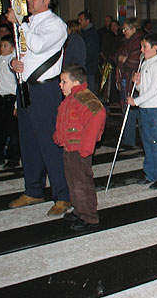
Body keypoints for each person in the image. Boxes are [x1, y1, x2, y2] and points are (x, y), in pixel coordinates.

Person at [6, 0, 71, 215]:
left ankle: (62, 195)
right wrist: (13, 63)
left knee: (50, 143)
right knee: (29, 143)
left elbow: (38, 45)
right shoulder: (29, 24)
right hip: (25, 88)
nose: (29, 0)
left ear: (47, 0)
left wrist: (20, 24)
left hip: (45, 91)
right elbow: (22, 54)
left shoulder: (56, 25)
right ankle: (33, 190)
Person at [54, 64, 107, 232]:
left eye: (64, 82)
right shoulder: (71, 98)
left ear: (76, 82)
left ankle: (89, 217)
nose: (60, 85)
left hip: (79, 149)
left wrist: (87, 145)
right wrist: (58, 135)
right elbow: (65, 119)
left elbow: (98, 114)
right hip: (69, 147)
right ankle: (79, 209)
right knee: (72, 181)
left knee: (81, 183)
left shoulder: (83, 98)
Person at [127, 33, 157, 189]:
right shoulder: (145, 63)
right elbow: (143, 89)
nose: (141, 50)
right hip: (145, 108)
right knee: (147, 143)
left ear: (154, 48)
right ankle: (150, 174)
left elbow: (154, 90)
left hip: (156, 109)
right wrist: (137, 83)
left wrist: (135, 102)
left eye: (144, 47)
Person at [0, 34, 20, 169]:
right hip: (0, 98)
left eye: (5, 46)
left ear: (13, 48)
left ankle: (13, 158)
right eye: (1, 45)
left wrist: (16, 104)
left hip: (10, 97)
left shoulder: (13, 61)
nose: (1, 48)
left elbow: (16, 83)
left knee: (12, 130)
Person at [114, 17, 143, 149]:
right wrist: (121, 59)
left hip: (134, 81)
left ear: (133, 28)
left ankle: (137, 140)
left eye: (125, 29)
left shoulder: (137, 42)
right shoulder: (126, 42)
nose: (123, 31)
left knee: (136, 110)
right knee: (128, 110)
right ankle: (129, 139)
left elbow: (133, 62)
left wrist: (123, 60)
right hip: (126, 80)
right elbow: (115, 56)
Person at [78, 11, 100, 92]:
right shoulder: (82, 33)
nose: (79, 22)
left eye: (81, 20)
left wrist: (82, 64)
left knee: (88, 90)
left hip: (88, 68)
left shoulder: (91, 34)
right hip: (85, 67)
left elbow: (90, 53)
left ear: (87, 21)